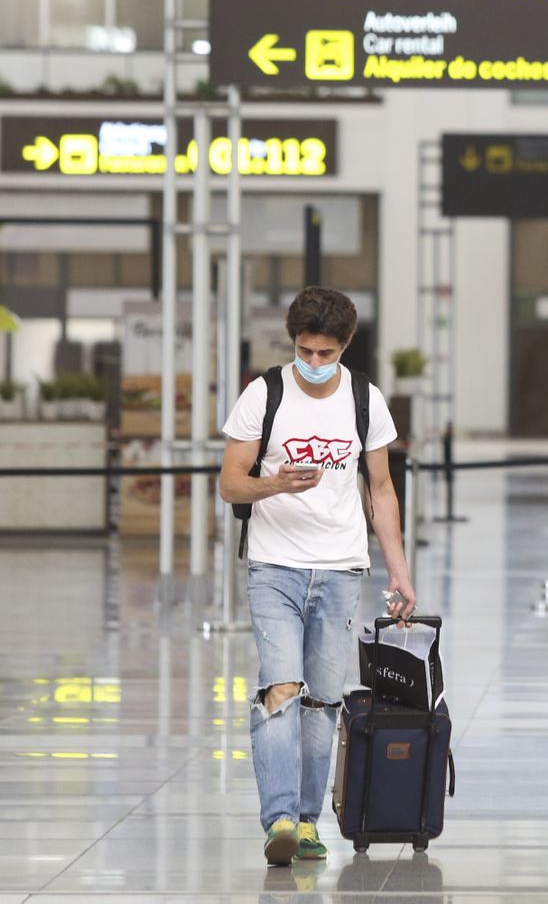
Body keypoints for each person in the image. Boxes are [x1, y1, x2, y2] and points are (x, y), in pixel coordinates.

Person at [218, 286, 415, 867]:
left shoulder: (364, 399)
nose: (316, 362)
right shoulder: (264, 394)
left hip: (340, 569)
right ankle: (278, 818)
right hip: (274, 565)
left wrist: (398, 570)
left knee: (323, 703)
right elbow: (230, 482)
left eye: (327, 353)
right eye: (306, 350)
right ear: (293, 343)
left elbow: (380, 489)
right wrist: (274, 483)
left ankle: (306, 822)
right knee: (281, 690)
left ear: (346, 346)